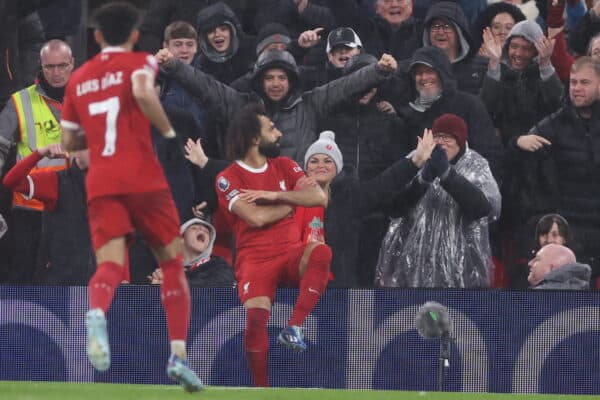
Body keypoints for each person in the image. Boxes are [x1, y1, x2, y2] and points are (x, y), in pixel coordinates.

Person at [59, 2, 203, 391]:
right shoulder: (140, 63)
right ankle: (178, 354)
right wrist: (166, 130)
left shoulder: (79, 79)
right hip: (145, 180)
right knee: (172, 265)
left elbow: (69, 140)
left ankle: (96, 315)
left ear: (98, 36)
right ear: (136, 35)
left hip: (102, 182)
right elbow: (142, 91)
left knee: (108, 265)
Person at [213, 103, 330, 387]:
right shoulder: (227, 178)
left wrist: (273, 196)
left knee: (322, 252)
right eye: (272, 129)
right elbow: (255, 217)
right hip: (255, 259)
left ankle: (294, 327)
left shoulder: (284, 165)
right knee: (255, 320)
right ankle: (261, 390)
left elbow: (319, 198)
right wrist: (290, 202)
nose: (279, 134)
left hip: (290, 251)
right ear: (255, 138)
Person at [156, 47, 398, 164]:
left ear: (291, 80)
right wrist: (174, 66)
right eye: (269, 78)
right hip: (254, 196)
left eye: (281, 78)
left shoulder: (310, 103)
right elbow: (206, 86)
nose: (275, 84)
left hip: (299, 196)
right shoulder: (242, 105)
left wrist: (377, 71)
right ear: (260, 81)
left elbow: (346, 86)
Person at [375, 113, 501, 288]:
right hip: (413, 264)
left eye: (448, 137)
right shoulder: (416, 158)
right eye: (437, 137)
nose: (441, 142)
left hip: (463, 269)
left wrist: (447, 175)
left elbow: (484, 208)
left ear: (461, 140)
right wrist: (421, 181)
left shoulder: (476, 165)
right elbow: (393, 207)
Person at [512, 56, 600, 288]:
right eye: (573, 82)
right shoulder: (553, 124)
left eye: (584, 83)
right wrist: (517, 141)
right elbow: (523, 168)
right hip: (570, 228)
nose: (577, 88)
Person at [0, 39, 73, 283]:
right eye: (50, 67)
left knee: (66, 279)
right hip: (29, 207)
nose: (56, 73)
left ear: (72, 64)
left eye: (62, 65)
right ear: (40, 66)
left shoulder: (88, 98)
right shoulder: (19, 102)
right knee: (25, 278)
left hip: (73, 207)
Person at [395, 46, 503, 181]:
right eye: (418, 73)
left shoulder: (469, 105)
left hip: (467, 192)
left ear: (442, 73)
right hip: (422, 194)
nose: (423, 77)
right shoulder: (412, 114)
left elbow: (489, 156)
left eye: (430, 71)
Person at [2, 144, 94, 285]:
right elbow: (12, 181)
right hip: (59, 284)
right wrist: (39, 153)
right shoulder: (57, 182)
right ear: (76, 151)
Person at [422, 1, 488, 95]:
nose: (440, 32)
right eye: (435, 26)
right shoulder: (416, 67)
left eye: (447, 26)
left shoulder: (482, 67)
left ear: (459, 32)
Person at [148, 217, 235, 287]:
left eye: (207, 232)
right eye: (194, 228)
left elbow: (222, 282)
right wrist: (156, 289)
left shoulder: (217, 264)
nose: (202, 230)